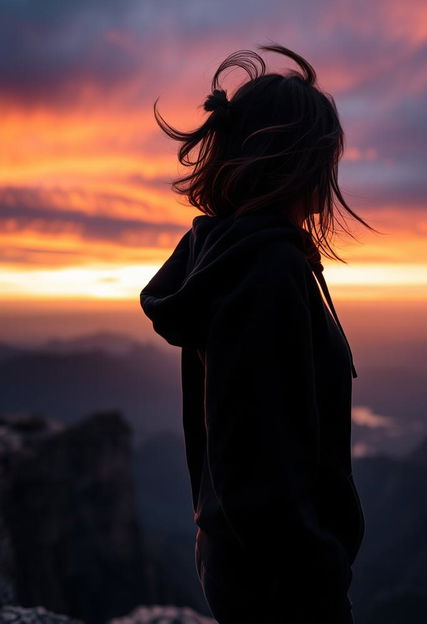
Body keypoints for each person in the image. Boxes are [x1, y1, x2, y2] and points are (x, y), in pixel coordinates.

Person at [139, 43, 378, 624]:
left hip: (242, 562)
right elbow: (259, 463)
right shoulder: (266, 273)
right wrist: (320, 572)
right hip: (281, 582)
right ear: (305, 163)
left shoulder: (223, 258)